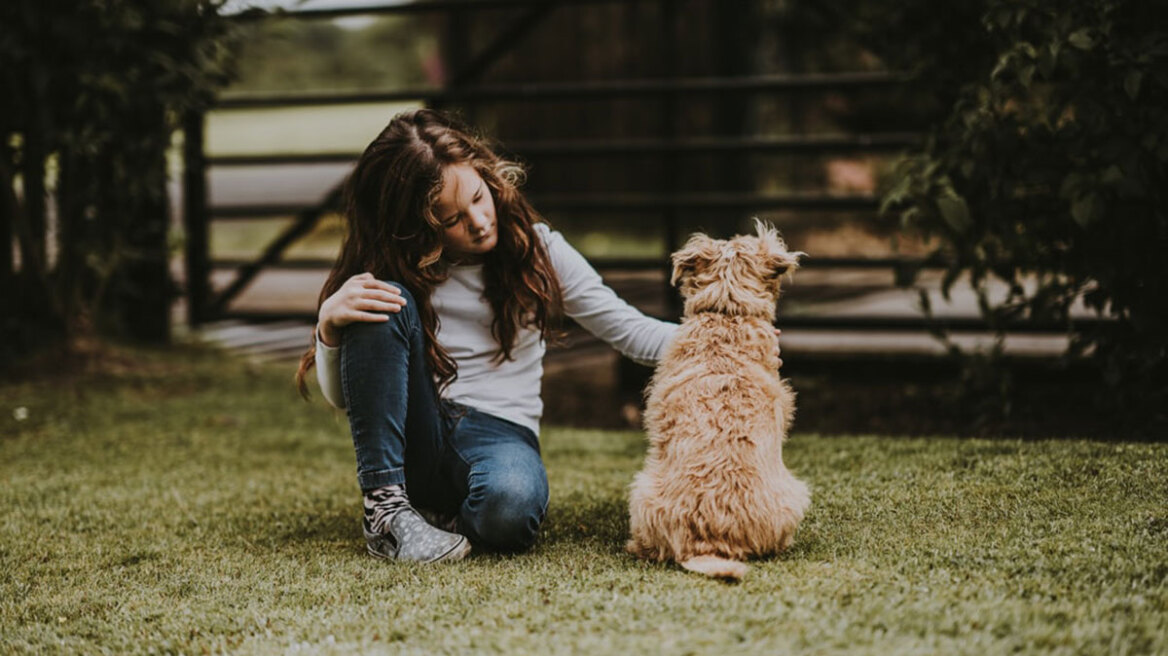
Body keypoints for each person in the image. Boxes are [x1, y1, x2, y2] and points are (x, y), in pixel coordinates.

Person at [295, 108, 691, 563]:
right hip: (417, 429)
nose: (480, 222)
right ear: (416, 227)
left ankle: (429, 520)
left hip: (501, 432)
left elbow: (630, 331)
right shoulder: (389, 273)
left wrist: (731, 340)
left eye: (479, 198)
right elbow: (346, 401)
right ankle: (386, 513)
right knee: (380, 301)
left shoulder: (541, 251)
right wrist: (328, 327)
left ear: (489, 175)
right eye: (450, 221)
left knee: (510, 511)